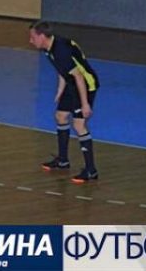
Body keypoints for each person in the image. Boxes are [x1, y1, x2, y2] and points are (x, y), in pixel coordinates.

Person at [29, 21, 99, 184]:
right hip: (71, 83)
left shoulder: (60, 50)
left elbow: (79, 76)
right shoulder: (49, 48)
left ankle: (91, 170)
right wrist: (60, 90)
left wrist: (85, 104)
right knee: (60, 116)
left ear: (42, 36)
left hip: (85, 85)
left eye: (32, 37)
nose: (30, 41)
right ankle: (62, 160)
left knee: (79, 125)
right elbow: (63, 70)